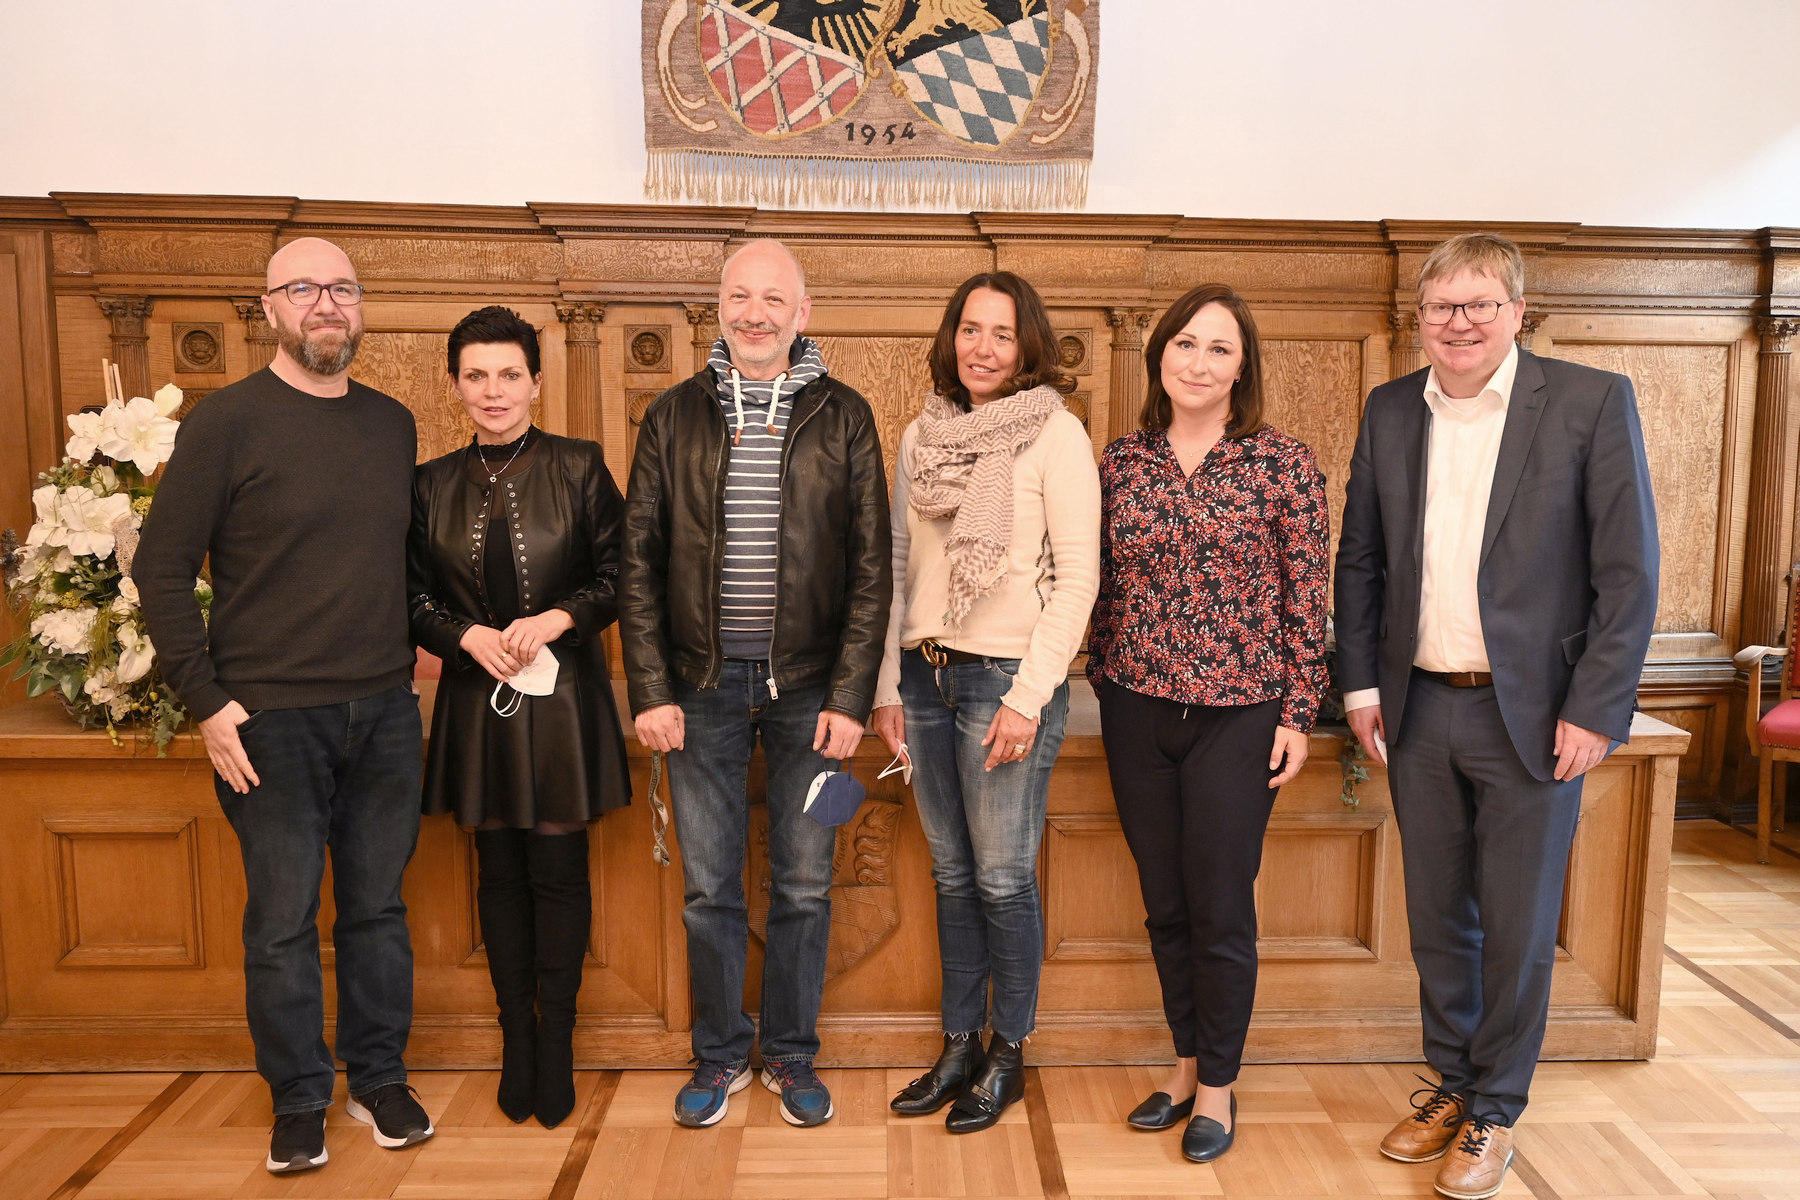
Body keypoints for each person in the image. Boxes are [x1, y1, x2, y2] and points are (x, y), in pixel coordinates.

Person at [1334, 232, 1658, 1200]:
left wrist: (1596, 706)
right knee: (1439, 916)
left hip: (1535, 717)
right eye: (1442, 308)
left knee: (1517, 926)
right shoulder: (1391, 409)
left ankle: (1496, 1110)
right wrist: (1359, 688)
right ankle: (1452, 1079)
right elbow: (1360, 560)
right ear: (1420, 319)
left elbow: (1627, 575)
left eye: (1479, 305)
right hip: (1418, 708)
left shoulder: (1591, 404)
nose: (1459, 323)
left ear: (1519, 311)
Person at [133, 237, 434, 1175]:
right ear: (268, 309)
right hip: (265, 722)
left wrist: (416, 681)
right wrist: (209, 704)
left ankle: (380, 1079)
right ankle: (300, 1095)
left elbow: (398, 566)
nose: (326, 306)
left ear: (359, 309)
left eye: (342, 290)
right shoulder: (225, 423)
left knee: (379, 911)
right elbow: (161, 569)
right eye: (304, 289)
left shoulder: (392, 424)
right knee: (281, 919)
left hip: (384, 711)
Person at [619, 238, 891, 1129]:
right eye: (740, 295)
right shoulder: (673, 416)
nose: (756, 312)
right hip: (698, 693)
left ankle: (790, 1055)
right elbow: (639, 564)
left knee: (807, 879)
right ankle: (719, 1055)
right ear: (719, 306)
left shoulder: (846, 418)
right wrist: (651, 688)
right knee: (709, 888)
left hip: (811, 695)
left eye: (774, 298)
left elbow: (870, 574)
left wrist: (851, 700)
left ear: (802, 312)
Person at [1087, 283, 1328, 1163]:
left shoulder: (1282, 464)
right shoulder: (1118, 463)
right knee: (1164, 904)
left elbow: (1310, 598)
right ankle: (1186, 1064)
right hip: (1135, 705)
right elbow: (1093, 583)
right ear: (1159, 355)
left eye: (1218, 348)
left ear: (1242, 367)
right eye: (1184, 343)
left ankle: (1219, 1087)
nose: (1197, 361)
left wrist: (1298, 711)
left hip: (1241, 712)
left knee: (1219, 903)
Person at [872, 271, 1099, 1134]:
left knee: (1003, 878)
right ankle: (959, 1043)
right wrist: (890, 687)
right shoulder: (918, 438)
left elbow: (1078, 580)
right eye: (971, 329)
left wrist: (1029, 698)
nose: (984, 347)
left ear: (1027, 345)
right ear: (951, 337)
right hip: (925, 678)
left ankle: (1009, 1051)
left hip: (1007, 680)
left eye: (1003, 333)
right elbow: (899, 565)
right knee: (952, 873)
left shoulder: (1056, 435)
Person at [406, 305, 630, 1129]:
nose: (493, 391)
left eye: (509, 374)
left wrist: (558, 618)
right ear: (456, 384)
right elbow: (410, 597)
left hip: (563, 702)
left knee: (558, 874)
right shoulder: (428, 481)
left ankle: (558, 1042)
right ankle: (516, 1044)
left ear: (536, 381)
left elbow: (620, 574)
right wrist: (463, 632)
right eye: (476, 375)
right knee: (496, 874)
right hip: (475, 701)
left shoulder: (579, 466)